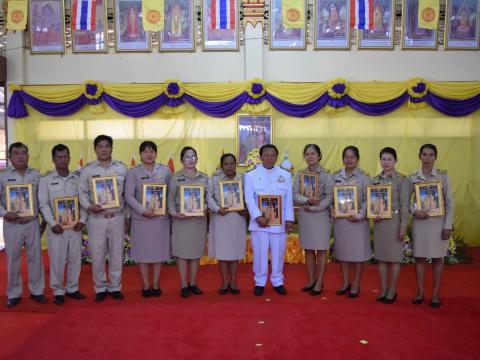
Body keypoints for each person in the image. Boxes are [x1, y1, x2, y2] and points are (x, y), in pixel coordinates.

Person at [78, 135, 128, 302]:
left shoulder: (122, 169)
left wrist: (128, 218)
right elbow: (82, 193)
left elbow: (127, 194)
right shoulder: (88, 170)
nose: (104, 149)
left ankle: (115, 286)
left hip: (117, 217)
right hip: (96, 218)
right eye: (100, 146)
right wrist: (88, 206)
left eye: (107, 146)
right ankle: (100, 287)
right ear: (95, 149)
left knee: (116, 253)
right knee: (98, 254)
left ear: (112, 148)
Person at [38, 144, 87, 305]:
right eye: (59, 157)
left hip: (74, 227)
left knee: (75, 258)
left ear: (69, 158)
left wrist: (82, 220)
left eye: (65, 156)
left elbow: (85, 202)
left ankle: (72, 288)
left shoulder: (78, 178)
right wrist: (52, 223)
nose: (62, 159)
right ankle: (58, 290)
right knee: (57, 260)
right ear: (53, 159)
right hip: (56, 229)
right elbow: (43, 204)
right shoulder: (46, 180)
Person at [244, 144, 294, 296]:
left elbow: (288, 199)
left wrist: (289, 219)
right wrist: (257, 216)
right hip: (259, 223)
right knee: (259, 253)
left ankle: (278, 281)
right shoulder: (251, 175)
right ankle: (259, 282)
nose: (269, 158)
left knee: (278, 253)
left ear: (277, 157)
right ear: (260, 157)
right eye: (266, 155)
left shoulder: (285, 175)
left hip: (279, 224)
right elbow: (249, 199)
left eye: (272, 155)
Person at [0, 143, 46, 308]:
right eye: (16, 153)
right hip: (12, 224)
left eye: (24, 153)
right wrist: (5, 213)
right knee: (13, 259)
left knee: (36, 259)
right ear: (10, 157)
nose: (20, 156)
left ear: (28, 155)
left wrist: (44, 222)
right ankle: (14, 293)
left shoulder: (36, 176)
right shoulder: (3, 177)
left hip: (32, 223)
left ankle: (37, 291)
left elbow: (42, 201)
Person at [125, 141, 172, 298]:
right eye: (145, 151)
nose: (149, 154)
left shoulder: (165, 171)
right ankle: (146, 284)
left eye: (152, 151)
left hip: (160, 219)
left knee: (158, 253)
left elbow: (170, 194)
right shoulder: (133, 172)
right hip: (141, 220)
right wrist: (142, 210)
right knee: (143, 253)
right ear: (140, 154)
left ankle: (156, 283)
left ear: (156, 153)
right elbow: (129, 196)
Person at [409, 144, 453, 308]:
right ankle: (420, 292)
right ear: (419, 156)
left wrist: (447, 225)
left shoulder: (443, 176)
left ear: (436, 157)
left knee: (437, 258)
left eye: (431, 155)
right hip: (420, 223)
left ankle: (435, 294)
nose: (427, 158)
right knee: (419, 257)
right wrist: (414, 211)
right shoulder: (413, 177)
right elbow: (407, 201)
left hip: (438, 223)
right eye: (424, 154)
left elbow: (449, 202)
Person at [168, 146, 208, 298]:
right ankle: (184, 284)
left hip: (198, 221)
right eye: (187, 157)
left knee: (195, 253)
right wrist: (174, 213)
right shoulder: (175, 178)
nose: (190, 159)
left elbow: (208, 198)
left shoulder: (204, 178)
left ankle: (192, 283)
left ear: (197, 159)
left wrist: (203, 208)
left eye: (193, 156)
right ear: (181, 160)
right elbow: (170, 200)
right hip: (181, 221)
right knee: (182, 253)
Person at [332, 146, 372, 298]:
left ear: (357, 159)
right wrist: (331, 210)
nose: (348, 160)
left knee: (357, 255)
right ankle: (345, 283)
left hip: (357, 223)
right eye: (346, 157)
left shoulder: (364, 177)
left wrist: (360, 215)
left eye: (352, 157)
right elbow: (331, 197)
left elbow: (368, 200)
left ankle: (355, 284)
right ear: (343, 159)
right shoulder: (336, 176)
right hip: (341, 222)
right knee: (343, 254)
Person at [293, 144, 333, 296]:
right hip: (305, 214)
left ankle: (320, 281)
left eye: (313, 153)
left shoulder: (327, 174)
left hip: (321, 215)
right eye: (307, 154)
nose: (310, 156)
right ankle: (311, 279)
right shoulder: (300, 174)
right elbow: (295, 194)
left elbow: (330, 196)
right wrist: (307, 200)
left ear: (319, 156)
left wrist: (316, 207)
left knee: (321, 249)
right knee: (309, 249)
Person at [372, 147, 410, 304]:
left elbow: (405, 206)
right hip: (380, 223)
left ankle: (392, 289)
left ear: (395, 161)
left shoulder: (402, 179)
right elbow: (372, 202)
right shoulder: (375, 180)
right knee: (381, 258)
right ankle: (383, 288)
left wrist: (403, 227)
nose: (385, 162)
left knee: (394, 259)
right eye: (383, 159)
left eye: (389, 159)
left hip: (394, 222)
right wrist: (374, 215)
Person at [207, 154, 247, 295]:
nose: (229, 166)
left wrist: (245, 209)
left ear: (235, 164)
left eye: (232, 163)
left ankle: (234, 282)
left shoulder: (243, 178)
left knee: (235, 253)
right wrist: (217, 209)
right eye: (226, 163)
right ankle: (224, 282)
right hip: (220, 219)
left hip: (237, 218)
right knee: (223, 253)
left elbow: (249, 196)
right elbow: (208, 196)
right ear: (222, 165)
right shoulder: (214, 179)